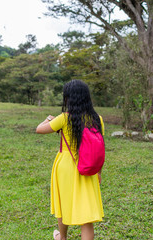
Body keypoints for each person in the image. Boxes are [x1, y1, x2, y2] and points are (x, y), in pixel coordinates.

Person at [36, 80, 105, 240]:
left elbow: (39, 129)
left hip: (66, 167)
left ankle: (63, 237)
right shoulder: (97, 118)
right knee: (87, 215)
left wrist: (48, 119)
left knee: (63, 203)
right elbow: (100, 148)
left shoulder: (64, 118)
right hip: (89, 168)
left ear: (68, 98)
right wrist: (99, 173)